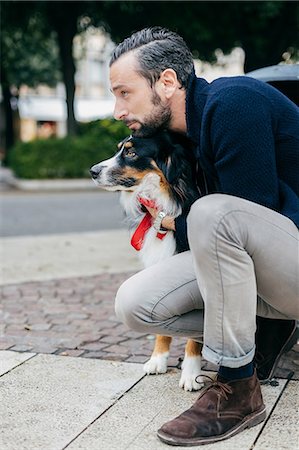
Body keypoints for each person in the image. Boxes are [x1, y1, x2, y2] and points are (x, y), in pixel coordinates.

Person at [109, 27, 299, 446]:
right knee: (135, 305)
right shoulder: (182, 138)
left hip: (291, 259)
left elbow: (247, 215)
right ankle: (266, 331)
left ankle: (237, 388)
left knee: (214, 212)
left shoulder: (233, 102)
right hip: (272, 268)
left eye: (125, 93)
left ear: (168, 82)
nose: (118, 109)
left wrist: (175, 221)